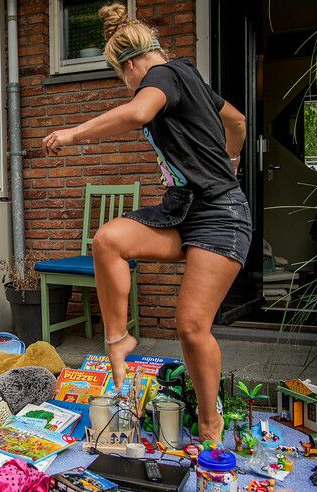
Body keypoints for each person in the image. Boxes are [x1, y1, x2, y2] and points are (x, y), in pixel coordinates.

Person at [42, 3, 251, 443]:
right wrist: (232, 157)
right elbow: (237, 120)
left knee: (191, 327)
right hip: (182, 210)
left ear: (132, 65)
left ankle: (211, 423)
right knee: (109, 240)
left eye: (123, 78)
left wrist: (73, 135)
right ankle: (118, 339)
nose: (129, 86)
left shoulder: (163, 76)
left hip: (220, 217)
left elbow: (138, 113)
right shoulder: (189, 78)